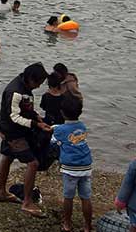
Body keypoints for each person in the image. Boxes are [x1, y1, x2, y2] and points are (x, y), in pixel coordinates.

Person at [0, 62, 50, 216]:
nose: (39, 86)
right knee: (33, 164)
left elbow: (26, 109)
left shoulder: (25, 88)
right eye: (38, 83)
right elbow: (14, 116)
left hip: (12, 130)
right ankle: (27, 202)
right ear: (31, 79)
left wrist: (37, 118)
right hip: (14, 132)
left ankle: (1, 192)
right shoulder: (15, 92)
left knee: (7, 157)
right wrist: (35, 124)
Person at [51, 96, 93, 232]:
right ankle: (87, 226)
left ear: (62, 112)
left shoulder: (60, 130)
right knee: (85, 197)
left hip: (70, 167)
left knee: (68, 197)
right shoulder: (82, 126)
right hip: (86, 165)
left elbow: (53, 140)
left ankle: (67, 224)